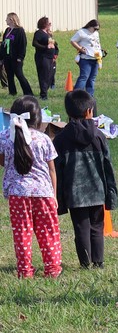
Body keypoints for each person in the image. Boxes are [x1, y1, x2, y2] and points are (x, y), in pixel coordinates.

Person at [53, 89, 118, 269]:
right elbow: (107, 166)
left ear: (68, 113)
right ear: (90, 111)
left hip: (75, 194)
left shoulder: (61, 138)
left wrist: (59, 198)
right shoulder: (99, 136)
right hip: (97, 191)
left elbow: (57, 169)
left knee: (81, 228)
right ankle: (99, 261)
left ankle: (85, 262)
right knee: (97, 226)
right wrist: (110, 193)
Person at [0, 96, 61, 278]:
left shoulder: (4, 138)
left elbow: (3, 161)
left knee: (22, 233)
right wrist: (54, 195)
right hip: (43, 193)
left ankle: (25, 271)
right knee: (48, 233)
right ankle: (52, 269)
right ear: (37, 118)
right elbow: (51, 170)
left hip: (17, 194)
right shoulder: (44, 139)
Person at [2, 13, 34, 96]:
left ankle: (28, 92)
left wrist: (20, 57)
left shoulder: (20, 31)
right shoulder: (7, 30)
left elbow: (22, 45)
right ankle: (12, 92)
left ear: (12, 20)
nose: (6, 20)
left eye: (7, 19)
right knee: (9, 75)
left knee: (19, 75)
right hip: (7, 57)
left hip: (16, 58)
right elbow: (3, 44)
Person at [69, 20, 103, 97]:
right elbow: (72, 41)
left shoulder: (96, 33)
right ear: (90, 26)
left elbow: (97, 44)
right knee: (84, 76)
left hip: (96, 58)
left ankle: (90, 95)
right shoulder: (81, 32)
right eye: (95, 28)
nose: (96, 30)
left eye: (98, 29)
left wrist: (100, 56)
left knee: (92, 78)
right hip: (85, 58)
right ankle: (76, 94)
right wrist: (80, 48)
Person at [31, 16, 58, 100]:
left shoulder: (48, 34)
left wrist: (56, 53)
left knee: (51, 74)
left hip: (51, 57)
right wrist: (45, 47)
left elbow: (55, 45)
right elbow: (34, 43)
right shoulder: (39, 33)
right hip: (43, 57)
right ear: (44, 24)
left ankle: (46, 89)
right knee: (44, 75)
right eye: (49, 23)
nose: (50, 24)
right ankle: (43, 95)